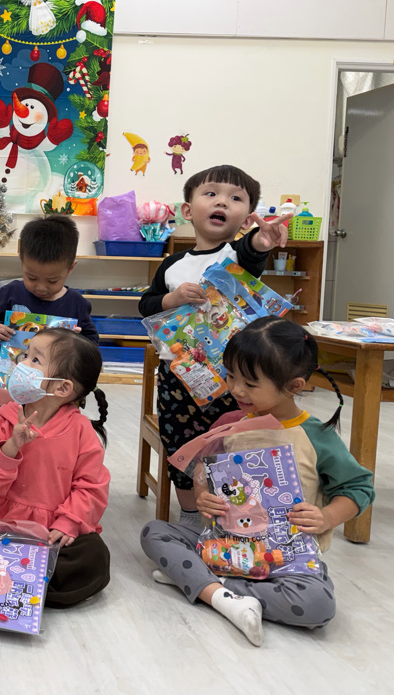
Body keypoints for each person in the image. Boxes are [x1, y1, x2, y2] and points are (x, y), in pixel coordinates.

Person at [140, 317, 375, 646]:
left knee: (318, 606)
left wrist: (326, 517)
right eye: (231, 376)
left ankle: (208, 586)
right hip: (225, 545)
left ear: (294, 386)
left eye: (250, 384)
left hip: (287, 557)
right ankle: (220, 592)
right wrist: (203, 493)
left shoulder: (316, 436)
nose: (236, 390)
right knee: (154, 532)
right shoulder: (229, 423)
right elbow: (204, 470)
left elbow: (359, 488)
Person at [138, 165, 290, 526]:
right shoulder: (172, 265)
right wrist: (172, 298)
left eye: (235, 198)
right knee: (182, 446)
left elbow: (253, 251)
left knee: (232, 443)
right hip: (180, 376)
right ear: (188, 210)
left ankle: (233, 517)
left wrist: (262, 241)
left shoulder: (237, 256)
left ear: (246, 217)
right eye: (211, 194)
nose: (222, 201)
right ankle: (191, 518)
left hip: (235, 378)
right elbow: (147, 305)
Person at [0, 328, 111, 608]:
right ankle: (25, 581)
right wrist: (11, 446)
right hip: (2, 522)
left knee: (94, 556)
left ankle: (17, 583)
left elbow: (91, 487)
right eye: (25, 354)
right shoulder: (3, 418)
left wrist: (69, 522)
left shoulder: (82, 431)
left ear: (62, 388)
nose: (21, 363)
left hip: (51, 531)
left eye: (35, 359)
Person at [0, 214, 99, 346]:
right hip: (16, 359)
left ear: (70, 268)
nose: (41, 288)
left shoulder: (77, 304)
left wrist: (78, 343)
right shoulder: (11, 293)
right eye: (32, 278)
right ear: (22, 261)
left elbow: (92, 341)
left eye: (52, 281)